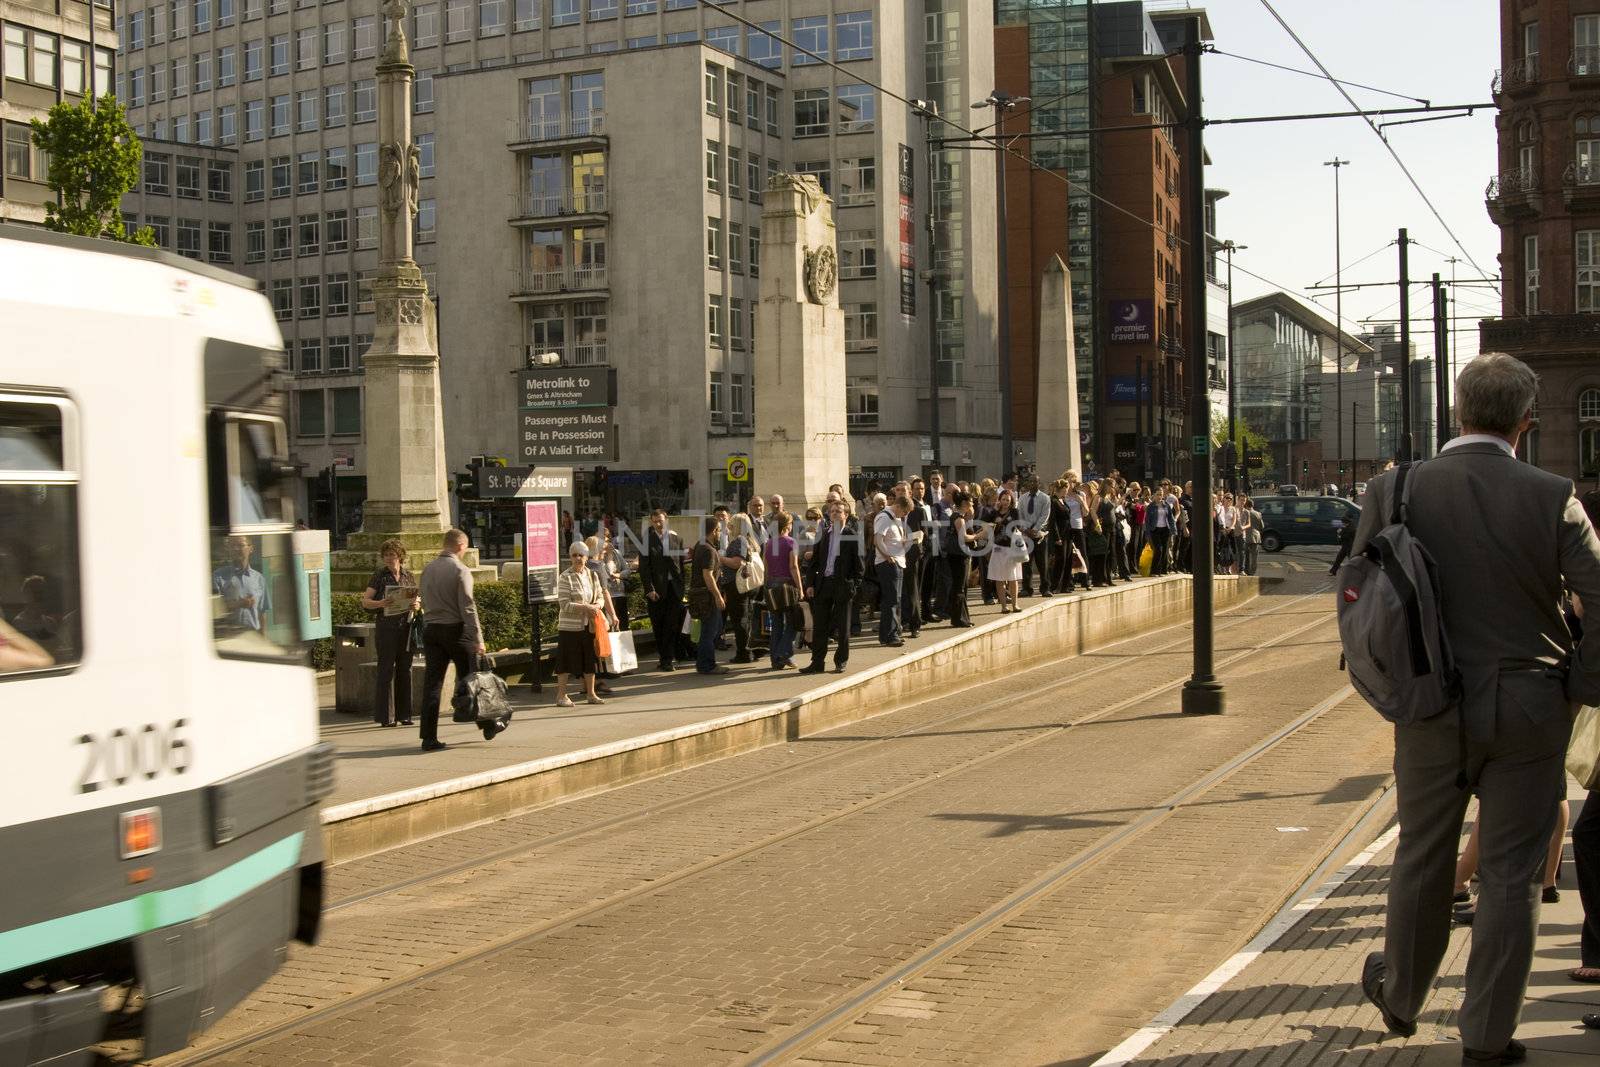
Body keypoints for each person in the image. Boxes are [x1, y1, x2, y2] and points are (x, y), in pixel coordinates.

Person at [1356, 352, 1600, 1064]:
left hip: (1430, 705)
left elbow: (1358, 597)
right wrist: (1582, 681)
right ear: (1527, 420)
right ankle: (1488, 1038)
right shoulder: (1555, 495)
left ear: (1457, 411)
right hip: (1531, 704)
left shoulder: (1395, 489)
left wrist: (1390, 684)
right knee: (1511, 875)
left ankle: (1400, 996)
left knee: (1422, 855)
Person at [417, 529, 487, 753]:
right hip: (455, 630)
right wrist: (478, 638)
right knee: (471, 677)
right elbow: (468, 606)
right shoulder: (461, 570)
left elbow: (423, 598)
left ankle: (428, 737)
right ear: (460, 546)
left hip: (431, 629)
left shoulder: (427, 569)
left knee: (432, 685)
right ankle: (487, 722)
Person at [359, 539, 419, 728]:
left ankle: (405, 715)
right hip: (386, 628)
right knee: (386, 670)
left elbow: (416, 596)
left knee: (405, 669)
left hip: (405, 627)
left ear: (400, 556)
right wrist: (381, 603)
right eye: (385, 555)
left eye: (392, 555)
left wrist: (417, 604)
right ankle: (387, 716)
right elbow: (365, 601)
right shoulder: (379, 576)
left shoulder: (408, 575)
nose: (388, 559)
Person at [801, 499, 864, 674]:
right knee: (820, 625)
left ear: (846, 515)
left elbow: (860, 566)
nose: (835, 514)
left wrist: (852, 587)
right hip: (824, 584)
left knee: (843, 626)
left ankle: (840, 661)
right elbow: (814, 562)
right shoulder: (824, 534)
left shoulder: (851, 535)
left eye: (838, 511)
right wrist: (811, 584)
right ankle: (817, 662)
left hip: (842, 585)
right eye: (832, 511)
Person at [553, 542, 606, 707]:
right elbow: (564, 604)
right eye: (574, 555)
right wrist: (585, 608)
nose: (577, 558)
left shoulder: (592, 575)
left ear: (587, 557)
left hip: (588, 625)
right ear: (570, 557)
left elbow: (600, 598)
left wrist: (596, 606)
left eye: (581, 555)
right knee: (565, 661)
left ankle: (591, 694)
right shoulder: (565, 576)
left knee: (589, 660)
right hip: (569, 627)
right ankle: (561, 696)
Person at [639, 508, 685, 672]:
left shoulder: (676, 539)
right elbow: (644, 568)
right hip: (657, 591)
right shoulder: (646, 541)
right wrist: (649, 589)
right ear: (652, 522)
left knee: (672, 625)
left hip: (674, 590)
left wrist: (682, 588)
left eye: (661, 520)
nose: (659, 523)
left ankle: (668, 659)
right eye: (655, 521)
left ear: (666, 520)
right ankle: (663, 657)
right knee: (659, 625)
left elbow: (681, 564)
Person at [689, 514, 731, 676]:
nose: (720, 533)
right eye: (719, 530)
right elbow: (708, 575)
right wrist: (717, 596)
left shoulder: (700, 545)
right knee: (709, 632)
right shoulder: (708, 550)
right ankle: (708, 665)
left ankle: (703, 664)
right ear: (714, 531)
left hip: (699, 595)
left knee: (707, 631)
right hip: (706, 596)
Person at [762, 511, 802, 669]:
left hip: (771, 584)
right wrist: (800, 587)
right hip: (787, 586)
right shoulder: (791, 542)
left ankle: (776, 661)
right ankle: (782, 652)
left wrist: (766, 585)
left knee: (776, 624)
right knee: (793, 623)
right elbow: (794, 567)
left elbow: (766, 566)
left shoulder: (769, 543)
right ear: (788, 525)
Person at [873, 494, 911, 647]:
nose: (906, 515)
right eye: (905, 512)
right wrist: (887, 555)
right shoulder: (885, 517)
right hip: (888, 563)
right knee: (892, 599)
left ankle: (892, 633)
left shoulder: (895, 518)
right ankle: (889, 635)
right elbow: (877, 539)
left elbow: (892, 539)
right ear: (899, 507)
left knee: (895, 599)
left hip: (898, 561)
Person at [212, 536, 270, 634]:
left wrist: (264, 638)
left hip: (253, 637)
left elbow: (262, 612)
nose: (236, 549)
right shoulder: (218, 576)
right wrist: (239, 604)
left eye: (240, 545)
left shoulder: (259, 578)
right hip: (229, 639)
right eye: (232, 546)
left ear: (250, 548)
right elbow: (213, 611)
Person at [945, 490, 980, 627]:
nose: (972, 504)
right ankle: (959, 619)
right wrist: (979, 536)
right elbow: (964, 537)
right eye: (971, 502)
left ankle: (962, 618)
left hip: (957, 555)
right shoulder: (958, 518)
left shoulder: (960, 517)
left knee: (961, 586)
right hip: (958, 555)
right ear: (965, 503)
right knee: (959, 587)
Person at [902, 478, 930, 638]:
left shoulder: (918, 511)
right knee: (899, 592)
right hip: (895, 555)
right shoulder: (891, 511)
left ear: (909, 493)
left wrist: (919, 551)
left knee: (912, 591)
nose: (900, 494)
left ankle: (914, 624)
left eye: (903, 491)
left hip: (913, 555)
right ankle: (901, 622)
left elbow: (925, 534)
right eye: (897, 491)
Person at [1017, 474, 1051, 597]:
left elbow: (1044, 516)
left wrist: (1035, 529)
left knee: (1043, 563)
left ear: (1039, 483)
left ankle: (1045, 588)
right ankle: (1026, 588)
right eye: (1030, 482)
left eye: (1035, 482)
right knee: (1026, 563)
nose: (1032, 484)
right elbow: (1019, 514)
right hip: (1026, 535)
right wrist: (1025, 529)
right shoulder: (1022, 498)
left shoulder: (1045, 498)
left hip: (1039, 535)